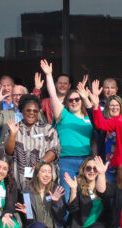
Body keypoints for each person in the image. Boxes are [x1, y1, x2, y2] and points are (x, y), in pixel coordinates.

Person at [40, 60, 93, 199]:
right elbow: (52, 95)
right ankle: (64, 221)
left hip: (86, 161)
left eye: (77, 99)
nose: (74, 102)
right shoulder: (62, 114)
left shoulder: (90, 118)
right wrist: (49, 75)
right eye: (70, 100)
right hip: (66, 161)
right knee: (66, 194)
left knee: (85, 196)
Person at [2, 94, 60, 188]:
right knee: (22, 202)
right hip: (18, 181)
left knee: (40, 202)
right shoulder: (14, 128)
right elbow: (8, 152)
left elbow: (55, 150)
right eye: (28, 110)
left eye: (35, 111)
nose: (31, 113)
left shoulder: (48, 129)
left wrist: (40, 164)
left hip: (42, 182)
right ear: (22, 111)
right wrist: (12, 135)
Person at [19, 162, 67, 228]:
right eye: (44, 171)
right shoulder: (28, 191)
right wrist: (27, 214)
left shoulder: (57, 190)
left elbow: (61, 216)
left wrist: (56, 202)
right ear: (37, 174)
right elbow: (30, 220)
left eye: (49, 172)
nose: (47, 175)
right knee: (38, 227)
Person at [62, 157, 107, 228]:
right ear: (83, 170)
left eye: (95, 169)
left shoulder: (102, 186)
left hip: (95, 224)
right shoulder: (77, 185)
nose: (92, 171)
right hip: (79, 224)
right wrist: (73, 190)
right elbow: (73, 209)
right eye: (88, 168)